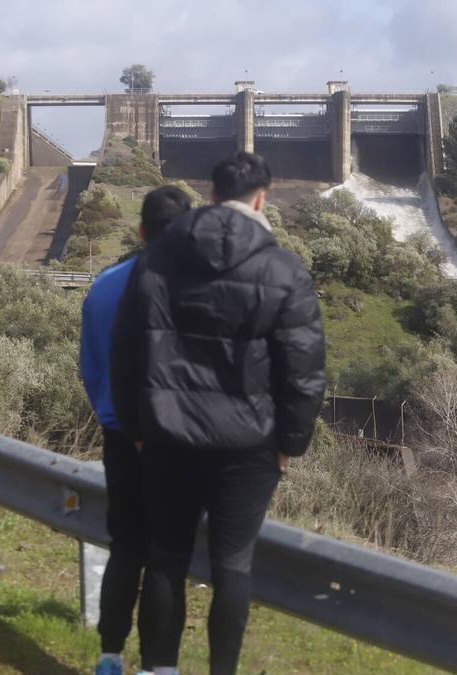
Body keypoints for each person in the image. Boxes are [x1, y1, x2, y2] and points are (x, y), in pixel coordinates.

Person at [111, 152, 326, 675]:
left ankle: (159, 670)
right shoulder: (283, 268)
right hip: (249, 445)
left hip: (167, 436)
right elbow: (303, 369)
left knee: (165, 559)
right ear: (262, 197)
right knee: (233, 566)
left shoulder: (156, 259)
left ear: (210, 195)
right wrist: (289, 444)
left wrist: (137, 430)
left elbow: (125, 351)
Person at [81, 185, 193, 675]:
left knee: (126, 546)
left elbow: (90, 368)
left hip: (119, 436)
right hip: (177, 441)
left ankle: (110, 656)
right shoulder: (195, 289)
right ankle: (160, 666)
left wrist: (112, 416)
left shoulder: (104, 286)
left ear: (141, 230)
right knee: (167, 557)